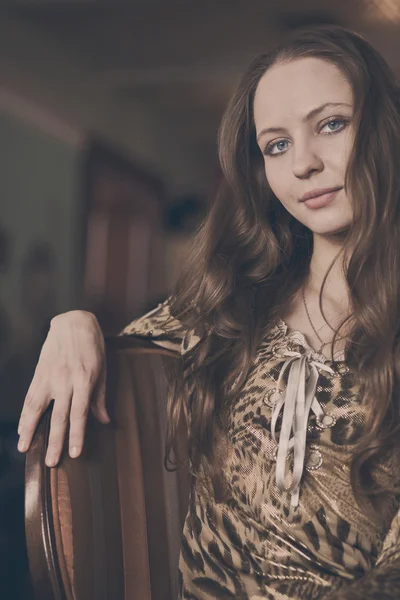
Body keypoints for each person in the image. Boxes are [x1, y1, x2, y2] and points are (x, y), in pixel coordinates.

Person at [15, 24, 400, 599]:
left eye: (331, 124)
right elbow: (130, 351)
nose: (303, 165)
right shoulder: (235, 301)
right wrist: (74, 324)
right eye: (276, 145)